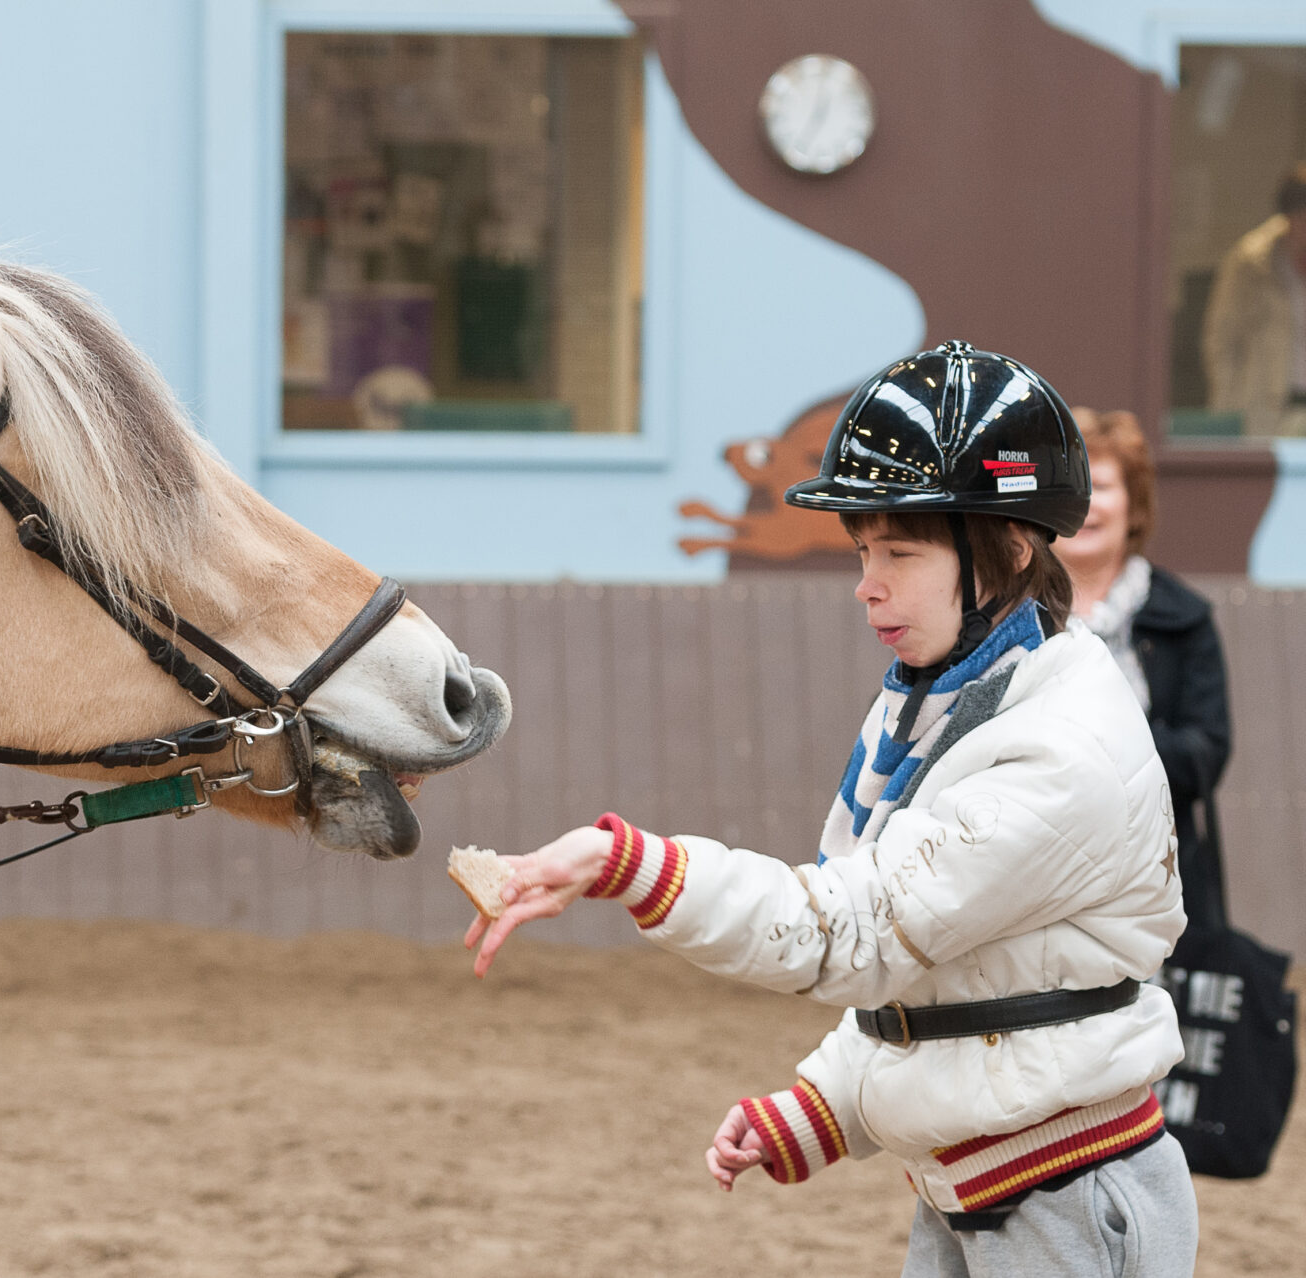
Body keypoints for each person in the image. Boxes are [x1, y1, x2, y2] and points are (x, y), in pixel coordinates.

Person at [467, 343, 1197, 1276]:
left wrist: (630, 867)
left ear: (1008, 549)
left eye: (899, 551)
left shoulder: (1053, 747)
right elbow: (960, 981)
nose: (867, 582)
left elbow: (852, 935)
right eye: (862, 551)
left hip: (1061, 1205)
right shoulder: (958, 696)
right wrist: (822, 1108)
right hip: (984, 1186)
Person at [1055, 407, 1232, 934]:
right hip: (1038, 872)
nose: (1086, 505)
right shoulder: (1006, 620)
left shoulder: (1184, 617)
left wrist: (1101, 742)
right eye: (1073, 489)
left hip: (1158, 876)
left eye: (1103, 486)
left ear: (1134, 507)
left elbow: (1205, 756)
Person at [1201, 160, 1306, 437]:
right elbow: (1221, 341)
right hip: (1266, 410)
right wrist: (1228, 411)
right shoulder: (1251, 262)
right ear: (1290, 218)